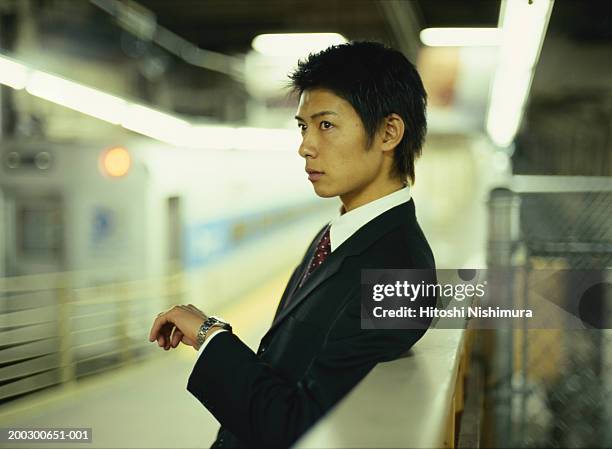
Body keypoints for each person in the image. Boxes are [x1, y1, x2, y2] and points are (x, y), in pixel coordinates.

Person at [149, 41, 436, 448]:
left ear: (389, 133)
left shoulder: (399, 274)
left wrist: (209, 336)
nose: (305, 146)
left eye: (326, 125)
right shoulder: (335, 236)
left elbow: (298, 425)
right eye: (303, 127)